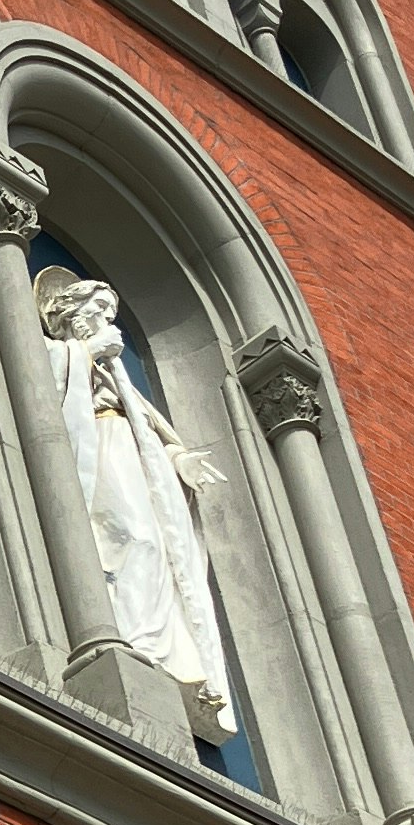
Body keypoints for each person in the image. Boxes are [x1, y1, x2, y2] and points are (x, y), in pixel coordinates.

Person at [37, 267, 239, 731]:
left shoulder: (118, 372)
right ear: (72, 314)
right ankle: (135, 642)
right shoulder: (62, 352)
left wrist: (179, 459)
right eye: (99, 312)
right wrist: (85, 355)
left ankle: (159, 651)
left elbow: (149, 424)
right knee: (132, 539)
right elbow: (39, 395)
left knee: (155, 545)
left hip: (131, 452)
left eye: (111, 314)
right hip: (101, 447)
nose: (110, 322)